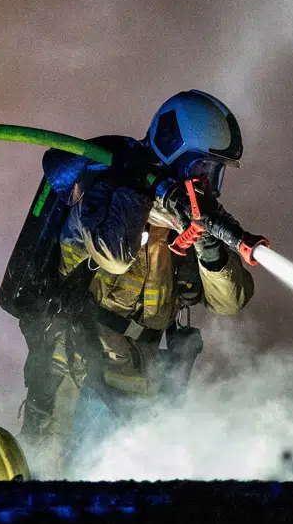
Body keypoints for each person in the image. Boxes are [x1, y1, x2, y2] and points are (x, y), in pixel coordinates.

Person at [14, 89, 257, 477]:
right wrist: (141, 189)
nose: (210, 184)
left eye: (216, 174)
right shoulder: (106, 192)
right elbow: (113, 252)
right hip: (77, 376)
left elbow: (230, 302)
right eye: (204, 171)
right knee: (56, 497)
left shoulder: (189, 222)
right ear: (175, 153)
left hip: (140, 386)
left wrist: (211, 250)